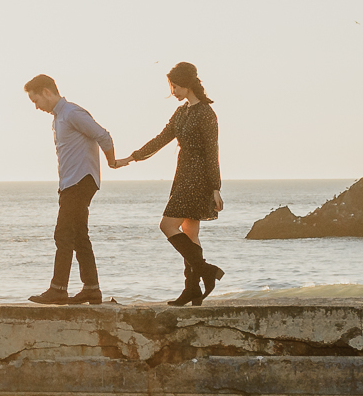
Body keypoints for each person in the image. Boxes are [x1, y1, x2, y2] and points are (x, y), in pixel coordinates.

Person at [116, 61, 223, 307]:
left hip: (198, 180)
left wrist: (216, 187)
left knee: (167, 225)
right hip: (183, 175)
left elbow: (212, 152)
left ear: (186, 84)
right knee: (190, 234)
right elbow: (161, 139)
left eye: (175, 86)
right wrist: (131, 158)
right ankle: (192, 289)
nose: (172, 91)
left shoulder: (207, 113)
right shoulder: (182, 112)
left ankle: (206, 271)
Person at [22, 74, 122, 305]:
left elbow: (103, 136)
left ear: (47, 92)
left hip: (80, 181)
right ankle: (92, 289)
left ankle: (58, 289)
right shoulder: (58, 117)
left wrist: (111, 161)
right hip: (70, 183)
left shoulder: (72, 113)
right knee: (78, 236)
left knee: (63, 234)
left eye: (36, 100)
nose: (36, 107)